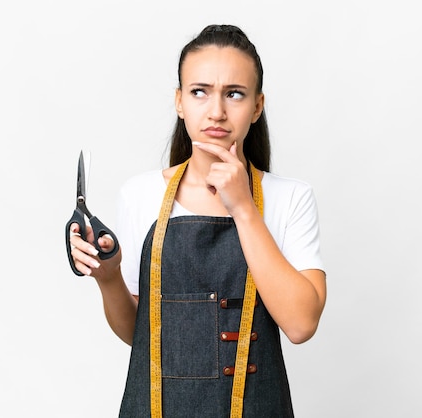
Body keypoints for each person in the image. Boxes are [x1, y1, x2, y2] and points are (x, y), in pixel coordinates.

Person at [69, 24, 327, 417]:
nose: (217, 111)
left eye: (234, 94)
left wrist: (243, 208)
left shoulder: (289, 198)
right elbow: (141, 336)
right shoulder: (140, 195)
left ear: (257, 106)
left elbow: (301, 324)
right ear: (179, 102)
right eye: (199, 92)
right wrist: (108, 277)